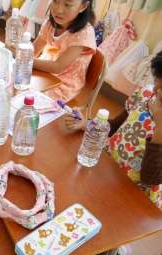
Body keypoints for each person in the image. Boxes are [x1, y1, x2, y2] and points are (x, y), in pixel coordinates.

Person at [65, 51, 162, 210]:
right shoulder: (145, 94)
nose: (158, 89)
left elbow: (150, 179)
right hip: (106, 170)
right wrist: (87, 124)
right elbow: (117, 125)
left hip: (135, 196)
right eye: (158, 79)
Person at [32, 0, 96, 102]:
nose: (58, 9)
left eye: (67, 5)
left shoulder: (84, 33)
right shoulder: (50, 23)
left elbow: (57, 67)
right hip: (45, 74)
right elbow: (34, 50)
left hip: (64, 86)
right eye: (55, 0)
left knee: (27, 100)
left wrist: (24, 59)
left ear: (83, 6)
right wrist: (19, 52)